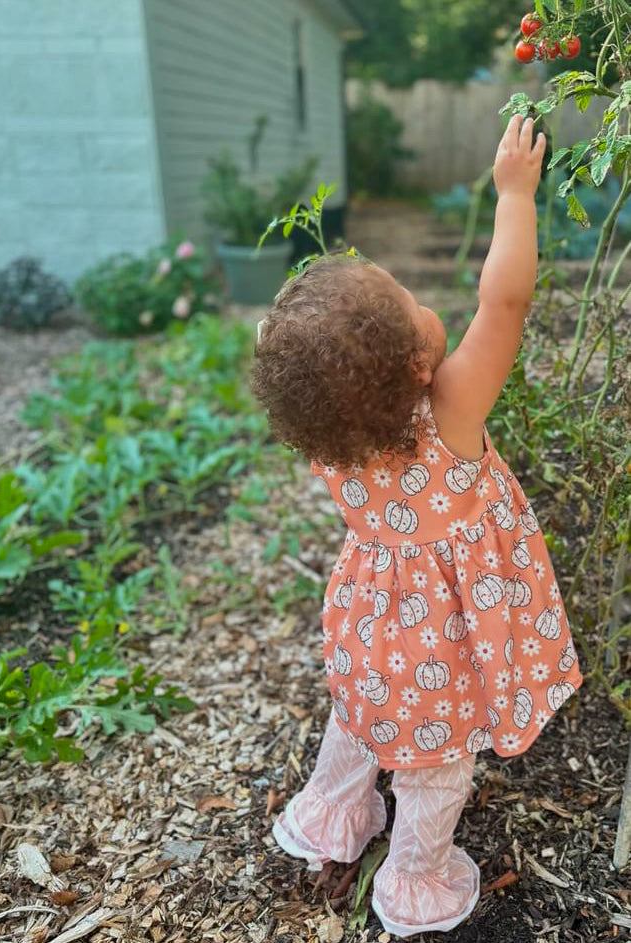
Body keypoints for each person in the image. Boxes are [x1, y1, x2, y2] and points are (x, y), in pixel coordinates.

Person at [250, 114, 584, 937]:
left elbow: (301, 358)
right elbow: (504, 298)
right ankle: (414, 875)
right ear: (417, 367)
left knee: (362, 715)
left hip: (371, 631)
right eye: (409, 301)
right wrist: (515, 193)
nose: (422, 298)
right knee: (436, 765)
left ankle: (330, 813)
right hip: (444, 649)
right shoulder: (452, 414)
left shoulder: (334, 434)